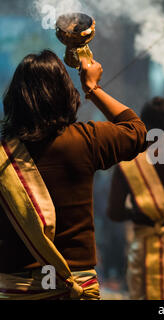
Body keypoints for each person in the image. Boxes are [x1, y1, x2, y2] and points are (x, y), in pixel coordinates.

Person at [0, 50, 147, 300]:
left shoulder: (3, 155)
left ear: (15, 97)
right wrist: (93, 88)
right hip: (77, 289)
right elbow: (136, 130)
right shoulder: (85, 140)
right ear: (65, 94)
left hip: (17, 291)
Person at [107, 96, 164, 300]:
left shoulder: (129, 159)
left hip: (143, 248)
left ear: (143, 122)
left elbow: (114, 212)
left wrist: (141, 209)